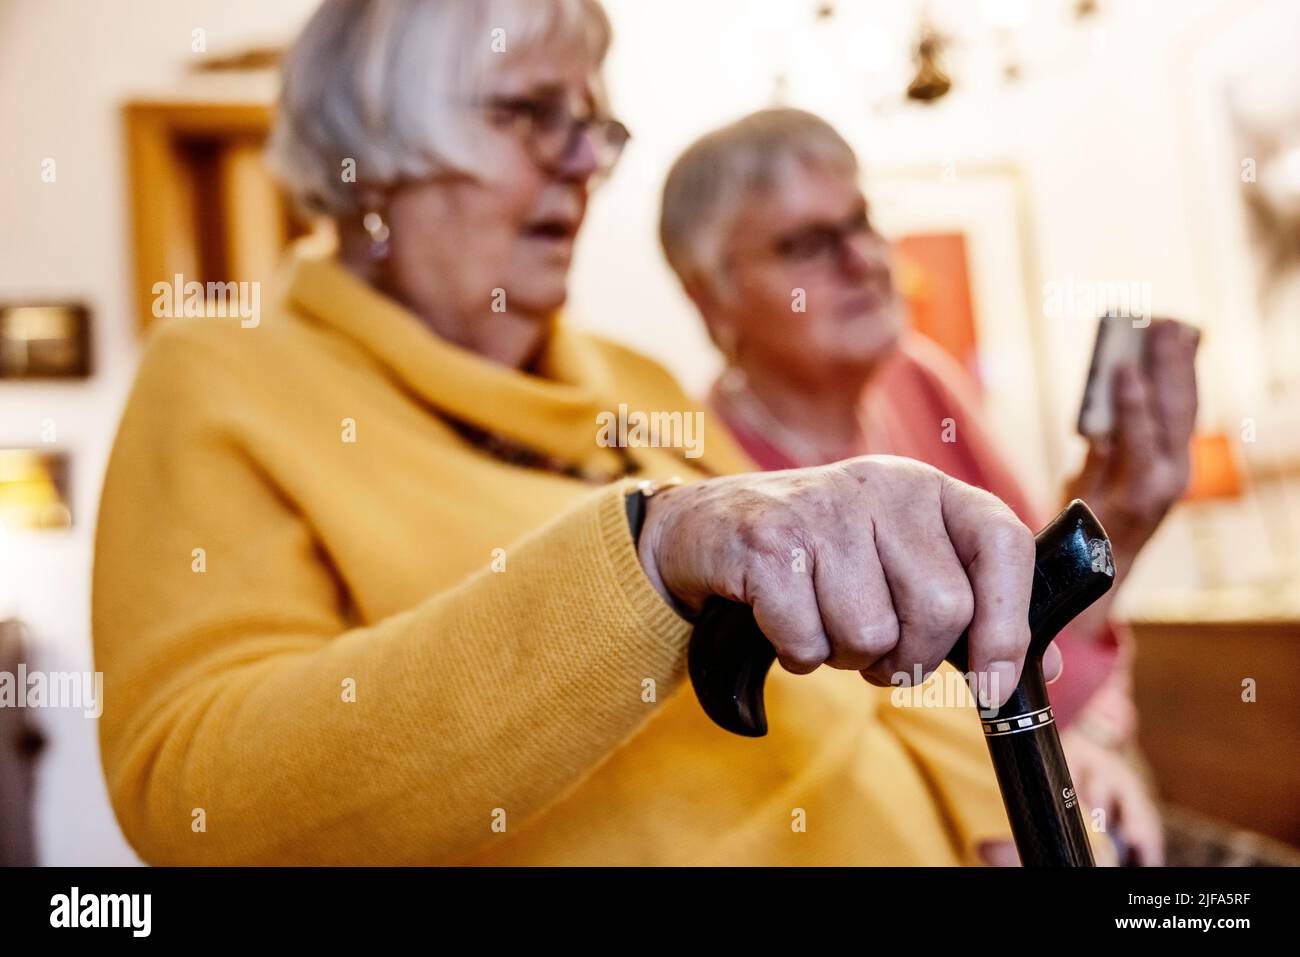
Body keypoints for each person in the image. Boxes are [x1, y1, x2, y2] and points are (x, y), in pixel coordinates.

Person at [95, 0, 1062, 866]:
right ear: (373, 147)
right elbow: (195, 800)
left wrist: (1023, 798)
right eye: (525, 112)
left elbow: (861, 694)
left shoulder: (629, 378)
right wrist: (645, 553)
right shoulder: (227, 377)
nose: (583, 162)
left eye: (593, 123)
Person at [660, 107, 1200, 866]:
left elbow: (1030, 637)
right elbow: (852, 754)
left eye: (861, 222)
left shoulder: (921, 382)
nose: (861, 259)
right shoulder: (703, 487)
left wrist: (1119, 526)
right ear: (710, 296)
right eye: (807, 244)